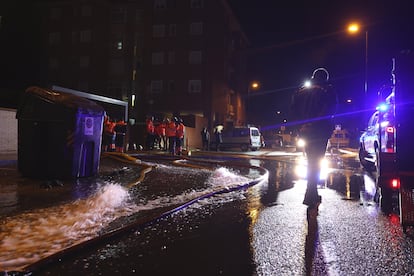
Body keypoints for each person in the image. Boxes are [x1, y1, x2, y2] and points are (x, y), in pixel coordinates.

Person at [290, 67, 337, 210]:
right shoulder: (328, 91)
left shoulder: (301, 91)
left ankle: (311, 193)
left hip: (305, 131)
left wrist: (300, 127)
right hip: (320, 131)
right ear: (325, 79)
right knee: (316, 162)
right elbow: (332, 109)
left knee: (311, 160)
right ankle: (311, 193)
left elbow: (293, 110)